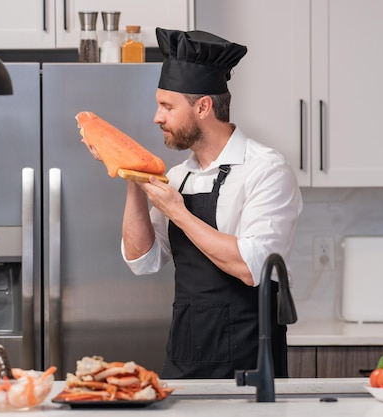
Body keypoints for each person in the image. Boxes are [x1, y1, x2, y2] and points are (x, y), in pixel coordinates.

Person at [121, 27, 303, 379]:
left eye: (167, 106)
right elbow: (143, 261)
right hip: (185, 356)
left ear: (203, 107)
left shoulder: (265, 170)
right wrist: (133, 183)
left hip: (248, 362)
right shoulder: (178, 177)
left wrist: (177, 210)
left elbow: (251, 267)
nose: (157, 117)